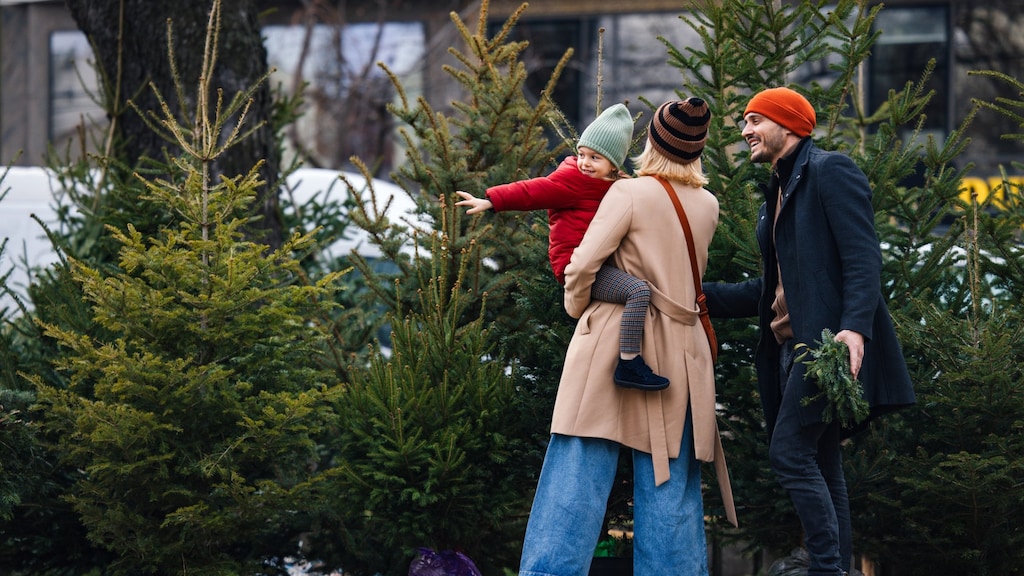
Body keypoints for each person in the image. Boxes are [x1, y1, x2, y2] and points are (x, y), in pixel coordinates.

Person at [702, 87, 916, 576]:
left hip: (825, 348)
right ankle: (834, 566)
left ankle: (824, 568)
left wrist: (854, 330)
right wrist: (699, 295)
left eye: (755, 120)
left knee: (789, 452)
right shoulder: (778, 187)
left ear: (788, 124)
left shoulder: (828, 170)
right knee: (821, 462)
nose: (745, 131)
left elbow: (863, 259)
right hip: (788, 346)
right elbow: (773, 286)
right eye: (743, 123)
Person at [518, 97, 735, 576]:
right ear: (696, 150)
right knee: (670, 481)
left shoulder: (630, 193)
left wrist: (579, 308)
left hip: (616, 343)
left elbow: (584, 264)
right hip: (680, 353)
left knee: (577, 471)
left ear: (652, 143)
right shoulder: (709, 204)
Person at [455, 103, 669, 390]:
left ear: (614, 165)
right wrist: (493, 200)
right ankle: (629, 362)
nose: (585, 162)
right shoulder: (573, 180)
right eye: (582, 154)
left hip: (601, 262)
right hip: (573, 263)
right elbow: (533, 190)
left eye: (595, 157)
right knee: (638, 290)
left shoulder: (619, 185)